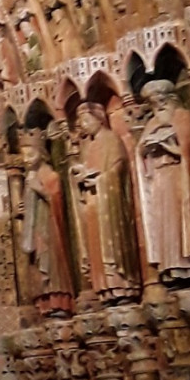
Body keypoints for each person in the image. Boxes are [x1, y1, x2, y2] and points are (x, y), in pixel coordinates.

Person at [137, 79, 190, 285]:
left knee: (182, 221)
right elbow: (139, 152)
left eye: (161, 101)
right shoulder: (152, 124)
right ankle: (171, 268)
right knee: (166, 223)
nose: (159, 107)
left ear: (170, 99)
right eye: (154, 104)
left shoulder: (182, 116)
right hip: (160, 178)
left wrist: (167, 145)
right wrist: (147, 148)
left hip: (179, 175)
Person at [71, 102, 140, 302]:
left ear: (99, 119)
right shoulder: (90, 147)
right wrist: (78, 176)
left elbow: (118, 168)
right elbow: (89, 170)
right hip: (93, 202)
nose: (83, 125)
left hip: (108, 202)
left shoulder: (111, 139)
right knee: (96, 246)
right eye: (81, 122)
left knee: (111, 242)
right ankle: (104, 289)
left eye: (86, 120)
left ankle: (122, 285)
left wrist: (99, 179)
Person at [18, 130, 74, 315]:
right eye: (23, 155)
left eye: (31, 154)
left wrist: (40, 189)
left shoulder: (51, 176)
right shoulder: (29, 178)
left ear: (42, 153)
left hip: (49, 228)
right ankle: (44, 301)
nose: (26, 159)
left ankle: (58, 300)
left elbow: (56, 199)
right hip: (36, 230)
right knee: (37, 262)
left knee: (51, 261)